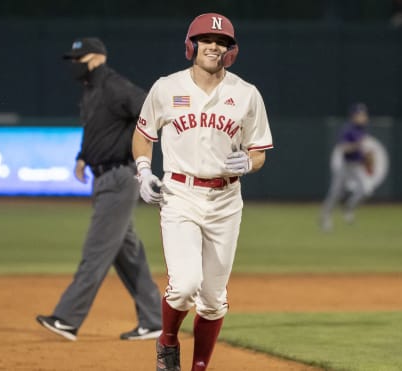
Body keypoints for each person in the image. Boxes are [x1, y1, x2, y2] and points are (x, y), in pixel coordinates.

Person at [131, 13, 273, 371]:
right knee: (184, 286)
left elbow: (258, 152)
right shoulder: (167, 87)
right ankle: (167, 340)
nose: (215, 46)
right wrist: (144, 171)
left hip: (226, 200)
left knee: (213, 301)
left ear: (232, 51)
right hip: (180, 194)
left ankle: (198, 367)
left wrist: (250, 162)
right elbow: (144, 135)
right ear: (190, 46)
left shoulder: (246, 94)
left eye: (223, 42)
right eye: (207, 40)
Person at [36, 37, 162, 342]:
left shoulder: (113, 85)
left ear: (95, 58)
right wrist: (83, 155)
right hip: (103, 177)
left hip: (119, 177)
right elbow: (97, 131)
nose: (74, 66)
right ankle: (155, 319)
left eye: (78, 60)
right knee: (127, 254)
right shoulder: (92, 90)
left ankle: (67, 318)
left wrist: (136, 154)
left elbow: (150, 110)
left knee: (96, 251)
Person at [320, 102, 372, 231]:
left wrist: (365, 156)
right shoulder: (348, 129)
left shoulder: (362, 129)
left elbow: (361, 150)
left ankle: (348, 207)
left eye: (364, 114)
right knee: (335, 193)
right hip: (344, 165)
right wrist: (357, 145)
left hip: (356, 166)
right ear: (354, 116)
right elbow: (343, 148)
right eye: (361, 114)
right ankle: (325, 217)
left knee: (366, 190)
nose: (364, 117)